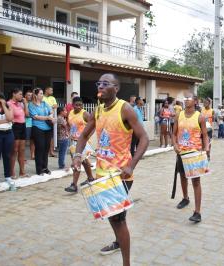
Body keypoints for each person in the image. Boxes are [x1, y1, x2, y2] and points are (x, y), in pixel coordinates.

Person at [73, 73, 149, 265]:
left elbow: (144, 139)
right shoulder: (98, 111)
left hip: (120, 176)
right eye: (99, 83)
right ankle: (118, 242)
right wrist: (77, 155)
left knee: (118, 219)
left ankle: (126, 262)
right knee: (111, 216)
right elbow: (82, 137)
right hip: (102, 176)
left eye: (105, 84)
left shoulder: (125, 109)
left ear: (116, 88)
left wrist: (131, 166)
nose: (100, 86)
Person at [172, 90, 209, 223]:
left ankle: (197, 212)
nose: (186, 100)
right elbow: (174, 133)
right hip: (181, 153)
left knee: (196, 181)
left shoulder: (200, 117)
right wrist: (175, 145)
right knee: (182, 176)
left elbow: (205, 135)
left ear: (195, 101)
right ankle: (185, 198)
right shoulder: (178, 115)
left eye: (189, 98)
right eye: (185, 98)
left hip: (195, 154)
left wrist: (206, 148)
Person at [65, 96, 94, 193]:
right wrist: (69, 132)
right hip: (74, 142)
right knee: (84, 162)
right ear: (72, 105)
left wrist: (88, 136)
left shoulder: (85, 113)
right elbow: (69, 124)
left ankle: (74, 185)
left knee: (77, 162)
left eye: (80, 105)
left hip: (83, 142)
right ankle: (90, 178)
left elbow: (93, 125)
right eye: (76, 105)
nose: (79, 107)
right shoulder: (70, 113)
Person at [29, 88, 55, 176]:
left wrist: (50, 116)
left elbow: (51, 111)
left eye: (42, 93)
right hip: (37, 128)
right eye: (40, 93)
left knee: (46, 148)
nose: (42, 95)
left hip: (47, 128)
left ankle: (45, 167)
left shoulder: (44, 103)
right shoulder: (31, 105)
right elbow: (35, 117)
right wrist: (47, 118)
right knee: (40, 148)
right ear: (36, 95)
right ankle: (39, 169)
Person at [8, 88, 29, 178]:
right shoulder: (9, 103)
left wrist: (25, 103)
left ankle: (22, 172)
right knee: (14, 150)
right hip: (15, 127)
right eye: (20, 94)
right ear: (14, 94)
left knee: (22, 150)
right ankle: (11, 172)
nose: (21, 96)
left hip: (23, 126)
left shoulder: (20, 104)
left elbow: (27, 114)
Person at [43, 87, 57, 157]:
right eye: (50, 90)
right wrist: (50, 106)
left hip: (51, 118)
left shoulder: (52, 98)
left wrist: (50, 106)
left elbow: (55, 105)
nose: (52, 91)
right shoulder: (42, 97)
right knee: (43, 136)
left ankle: (51, 151)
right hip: (42, 118)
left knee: (51, 136)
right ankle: (44, 152)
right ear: (46, 90)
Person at [24, 90, 35, 160]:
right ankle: (23, 156)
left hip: (33, 123)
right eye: (28, 95)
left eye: (31, 95)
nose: (30, 96)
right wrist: (33, 115)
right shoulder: (23, 103)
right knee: (24, 141)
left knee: (33, 140)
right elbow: (27, 114)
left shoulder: (33, 103)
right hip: (26, 124)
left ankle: (32, 155)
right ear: (25, 96)